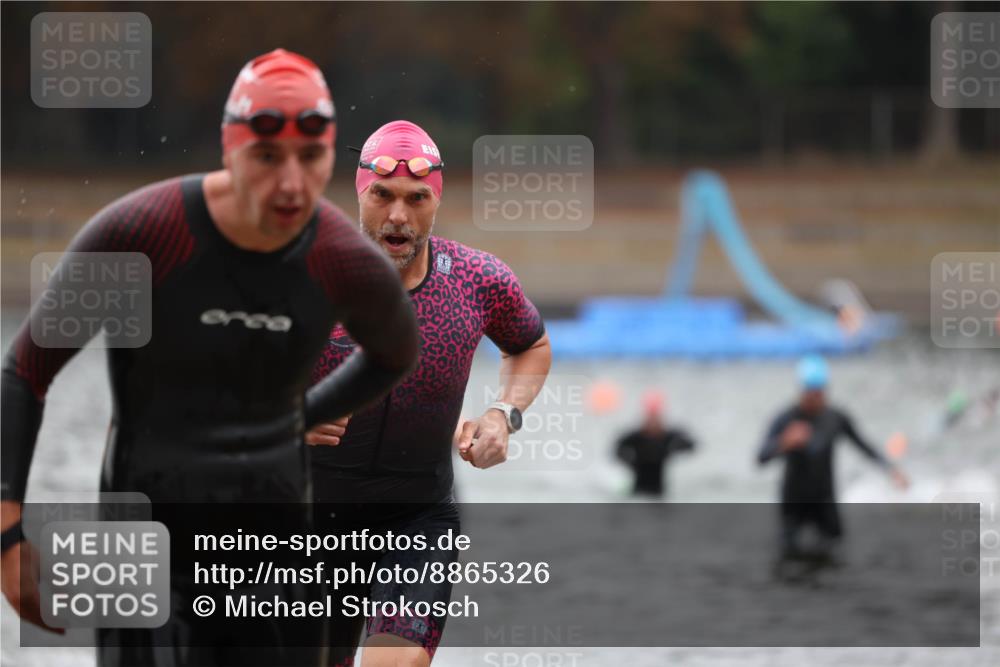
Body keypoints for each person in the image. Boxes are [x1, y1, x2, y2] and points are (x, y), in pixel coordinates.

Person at [1, 49, 419, 666]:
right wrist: (9, 534)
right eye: (267, 157)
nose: (290, 182)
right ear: (229, 148)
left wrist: (300, 416)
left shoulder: (337, 255)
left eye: (310, 158)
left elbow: (394, 353)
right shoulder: (142, 234)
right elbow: (23, 374)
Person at [306, 120, 552, 666]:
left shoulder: (477, 281)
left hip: (416, 520)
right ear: (359, 193)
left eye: (417, 199)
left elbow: (531, 345)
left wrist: (502, 414)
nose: (398, 216)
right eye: (383, 196)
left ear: (435, 200)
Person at [758, 355, 908, 561]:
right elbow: (760, 458)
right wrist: (785, 442)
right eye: (810, 393)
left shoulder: (835, 418)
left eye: (819, 392)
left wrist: (891, 470)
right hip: (793, 502)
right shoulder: (786, 419)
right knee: (789, 557)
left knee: (835, 555)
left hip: (825, 499)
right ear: (801, 391)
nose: (815, 398)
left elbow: (863, 446)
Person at [615, 390, 695, 497]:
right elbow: (617, 448)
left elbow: (691, 445)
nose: (653, 423)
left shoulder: (668, 437)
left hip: (659, 493)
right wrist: (630, 462)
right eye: (650, 418)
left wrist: (677, 447)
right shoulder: (636, 437)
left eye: (656, 418)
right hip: (638, 491)